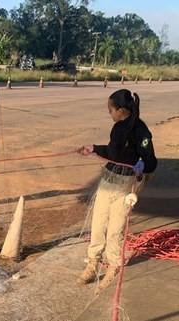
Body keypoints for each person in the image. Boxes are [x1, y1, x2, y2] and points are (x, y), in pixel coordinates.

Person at [77, 89, 157, 292]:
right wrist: (93, 148)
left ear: (121, 110)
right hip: (109, 180)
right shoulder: (118, 128)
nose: (109, 113)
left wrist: (142, 167)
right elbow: (113, 152)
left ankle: (113, 266)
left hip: (126, 184)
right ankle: (92, 263)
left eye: (110, 110)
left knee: (115, 229)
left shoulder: (141, 131)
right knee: (98, 223)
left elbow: (151, 161)